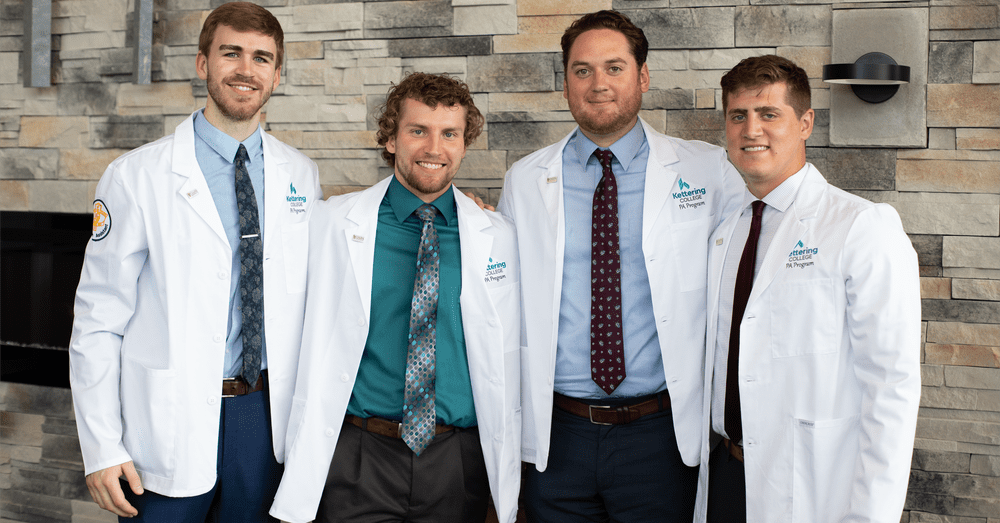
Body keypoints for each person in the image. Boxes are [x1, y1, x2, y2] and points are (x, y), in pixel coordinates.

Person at [68, 3, 321, 521]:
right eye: (231, 53)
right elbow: (98, 319)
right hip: (167, 418)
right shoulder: (135, 176)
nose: (246, 70)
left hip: (262, 415)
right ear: (204, 63)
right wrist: (101, 446)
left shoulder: (302, 174)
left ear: (277, 74)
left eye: (261, 58)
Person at [498, 10, 744, 522]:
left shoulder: (707, 170)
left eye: (614, 67)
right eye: (582, 70)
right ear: (565, 82)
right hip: (557, 434)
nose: (598, 84)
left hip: (659, 433)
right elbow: (498, 292)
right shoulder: (525, 180)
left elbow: (748, 272)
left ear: (643, 77)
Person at [268, 72, 521, 523]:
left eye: (450, 134)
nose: (433, 149)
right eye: (417, 130)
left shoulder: (497, 236)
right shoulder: (332, 224)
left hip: (457, 459)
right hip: (359, 455)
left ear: (464, 144)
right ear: (390, 138)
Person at [696, 54, 921, 523]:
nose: (751, 129)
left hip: (809, 486)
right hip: (725, 476)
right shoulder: (726, 230)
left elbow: (892, 387)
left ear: (805, 123)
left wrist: (872, 516)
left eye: (768, 114)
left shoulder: (861, 226)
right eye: (738, 116)